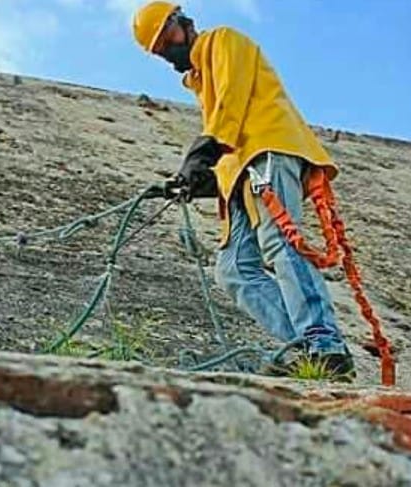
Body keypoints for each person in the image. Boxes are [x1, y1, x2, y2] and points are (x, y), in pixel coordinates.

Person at [132, 1, 355, 379]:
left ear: (182, 22)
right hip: (237, 171)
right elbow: (224, 136)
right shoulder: (200, 80)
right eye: (159, 49)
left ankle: (324, 343)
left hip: (268, 149)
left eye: (167, 37)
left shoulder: (224, 40)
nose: (168, 51)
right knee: (233, 269)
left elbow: (231, 106)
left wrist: (201, 154)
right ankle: (302, 348)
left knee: (280, 243)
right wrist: (195, 178)